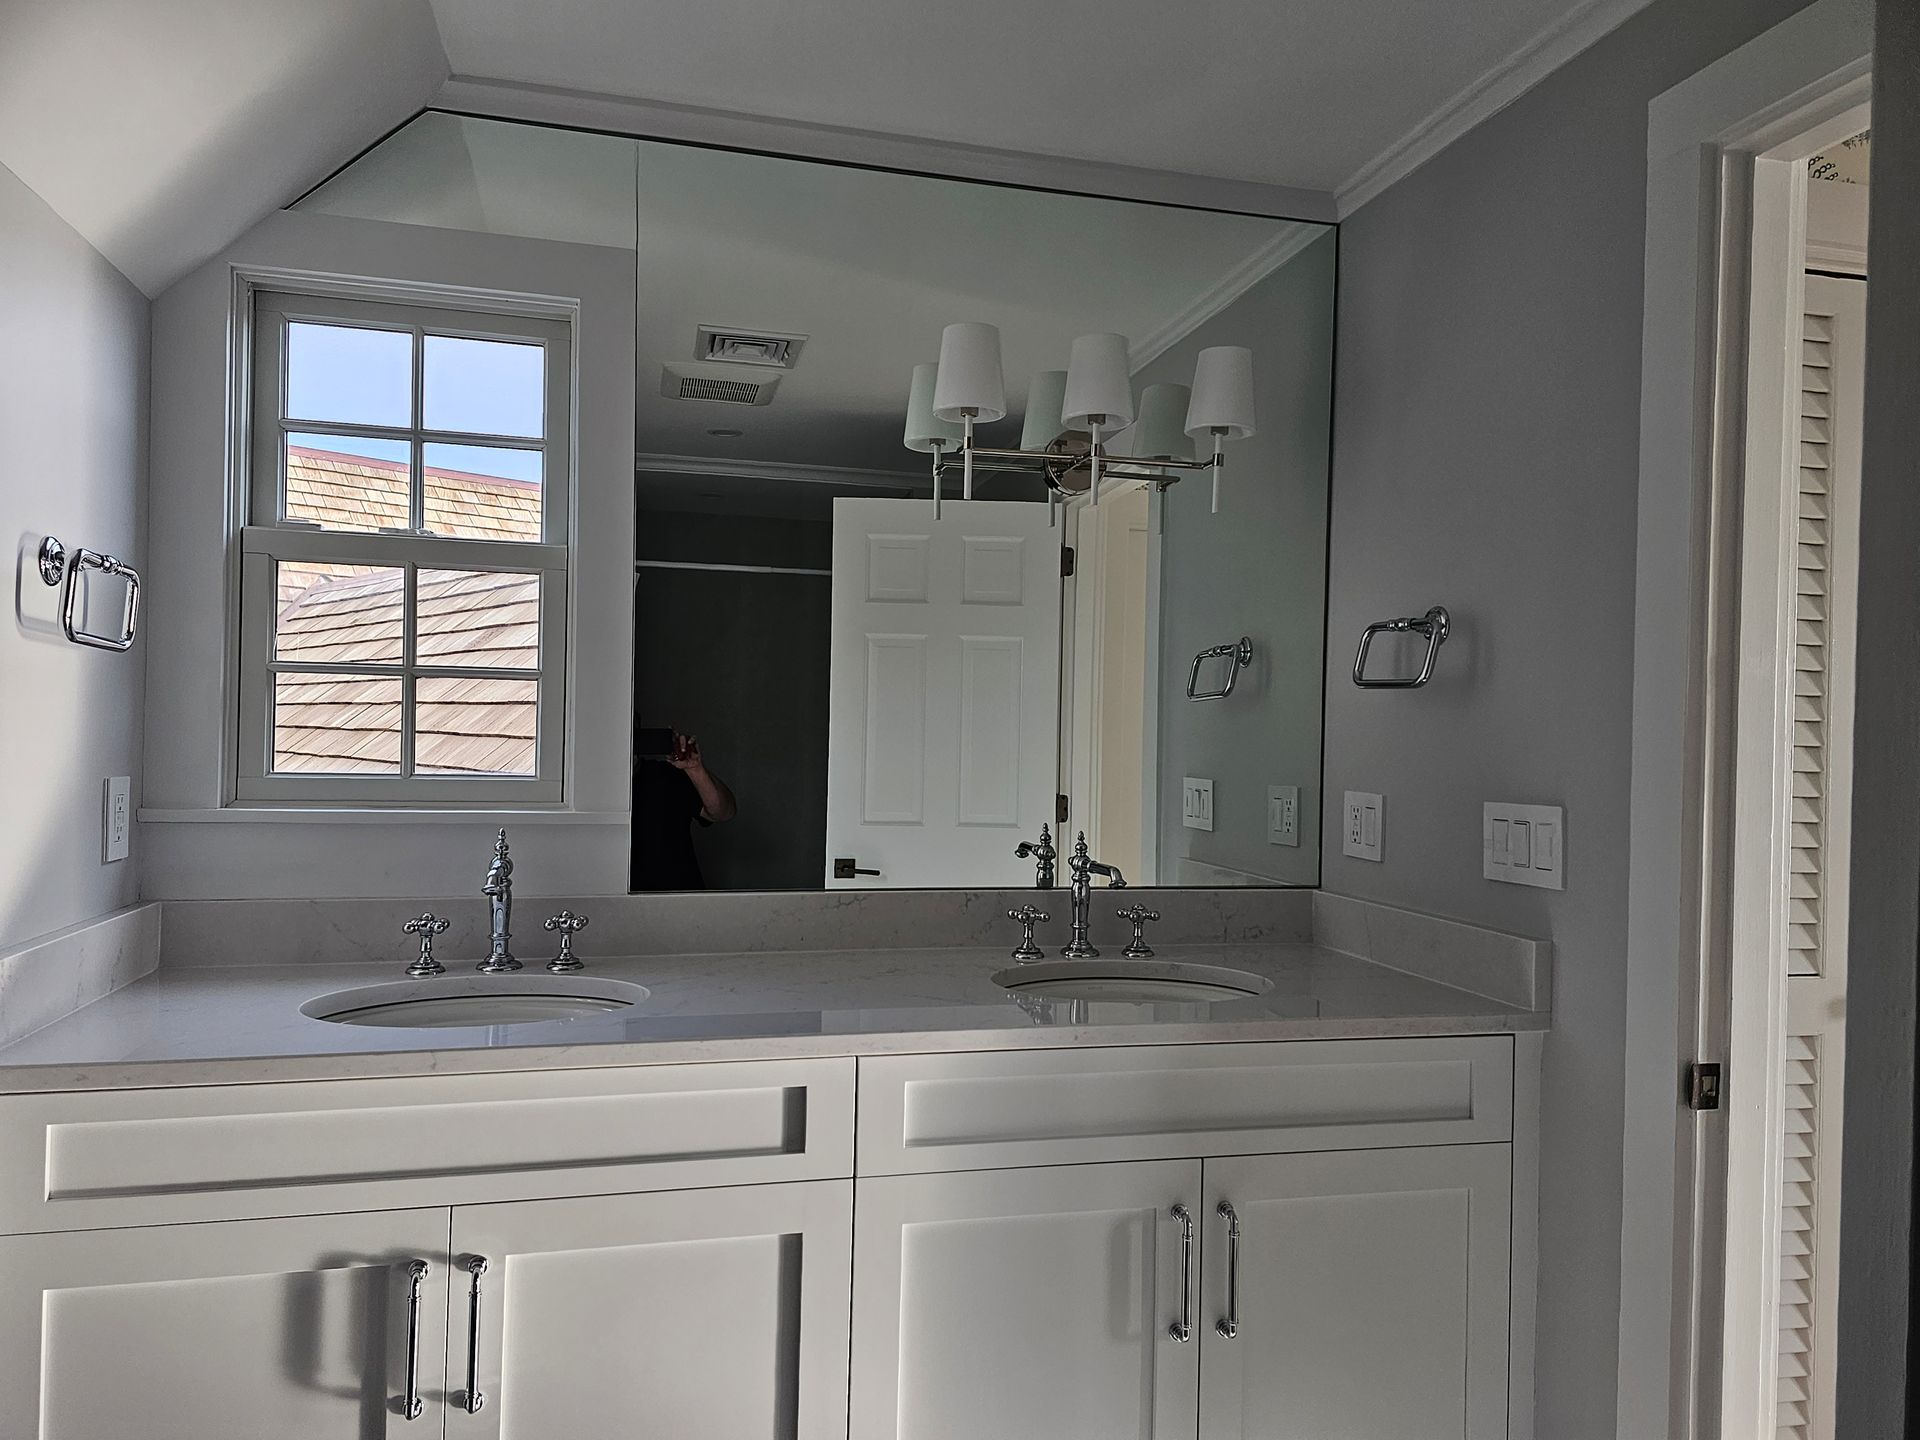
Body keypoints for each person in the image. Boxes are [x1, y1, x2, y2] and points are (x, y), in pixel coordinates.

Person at [630, 732, 737, 890]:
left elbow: (723, 812)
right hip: (614, 899)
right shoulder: (596, 789)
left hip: (680, 896)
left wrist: (695, 769)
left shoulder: (666, 775)